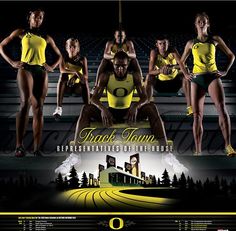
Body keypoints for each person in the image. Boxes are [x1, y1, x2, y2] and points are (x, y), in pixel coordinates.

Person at [55, 51, 188, 175]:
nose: (120, 69)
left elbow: (145, 97)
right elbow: (93, 98)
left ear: (128, 64)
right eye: (117, 66)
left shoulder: (134, 76)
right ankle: (75, 156)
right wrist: (103, 109)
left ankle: (167, 156)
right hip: (111, 113)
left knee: (151, 107)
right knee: (86, 109)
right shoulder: (106, 76)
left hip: (129, 112)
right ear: (112, 64)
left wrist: (136, 106)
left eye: (123, 66)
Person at [0, 9, 62, 157]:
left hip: (41, 70)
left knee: (39, 108)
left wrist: (52, 66)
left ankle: (36, 148)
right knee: (25, 104)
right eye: (35, 17)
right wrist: (12, 62)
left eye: (40, 18)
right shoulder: (21, 32)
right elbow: (1, 46)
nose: (38, 20)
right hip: (25, 68)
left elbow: (59, 55)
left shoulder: (46, 37)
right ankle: (19, 146)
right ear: (29, 18)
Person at [181, 12, 236, 156]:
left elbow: (231, 55)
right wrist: (186, 74)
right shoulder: (191, 43)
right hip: (197, 80)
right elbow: (181, 61)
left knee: (222, 110)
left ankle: (228, 146)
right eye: (199, 21)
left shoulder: (215, 39)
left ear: (208, 24)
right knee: (197, 116)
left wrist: (225, 71)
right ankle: (198, 150)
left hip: (212, 77)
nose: (201, 23)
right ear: (195, 24)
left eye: (204, 21)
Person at [145, 35, 192, 116]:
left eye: (164, 43)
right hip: (161, 84)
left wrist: (172, 67)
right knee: (149, 77)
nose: (163, 46)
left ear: (168, 43)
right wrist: (160, 70)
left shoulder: (173, 50)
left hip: (174, 83)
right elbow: (150, 71)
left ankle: (190, 107)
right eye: (160, 44)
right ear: (157, 45)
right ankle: (147, 108)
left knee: (186, 73)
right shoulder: (154, 52)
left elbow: (182, 64)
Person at [53, 38, 90, 119]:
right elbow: (62, 70)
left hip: (78, 88)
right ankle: (59, 108)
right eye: (70, 46)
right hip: (66, 87)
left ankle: (88, 109)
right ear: (66, 48)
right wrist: (76, 72)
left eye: (74, 47)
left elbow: (86, 76)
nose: (72, 49)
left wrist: (76, 77)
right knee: (62, 75)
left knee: (85, 81)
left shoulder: (82, 59)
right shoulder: (63, 57)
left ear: (78, 48)